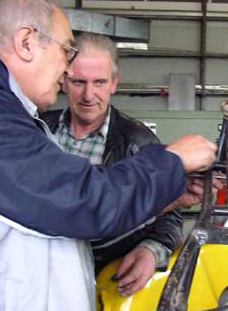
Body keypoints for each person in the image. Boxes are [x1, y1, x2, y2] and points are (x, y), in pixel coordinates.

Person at [0, 0, 217, 311]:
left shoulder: (1, 113)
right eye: (65, 52)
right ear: (27, 42)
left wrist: (163, 202)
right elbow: (80, 200)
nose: (67, 74)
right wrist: (171, 161)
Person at [42, 33, 182, 297]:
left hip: (102, 282)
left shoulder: (139, 142)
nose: (88, 94)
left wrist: (151, 250)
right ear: (63, 80)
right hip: (37, 276)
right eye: (79, 82)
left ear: (114, 83)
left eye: (99, 82)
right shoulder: (37, 129)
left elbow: (170, 215)